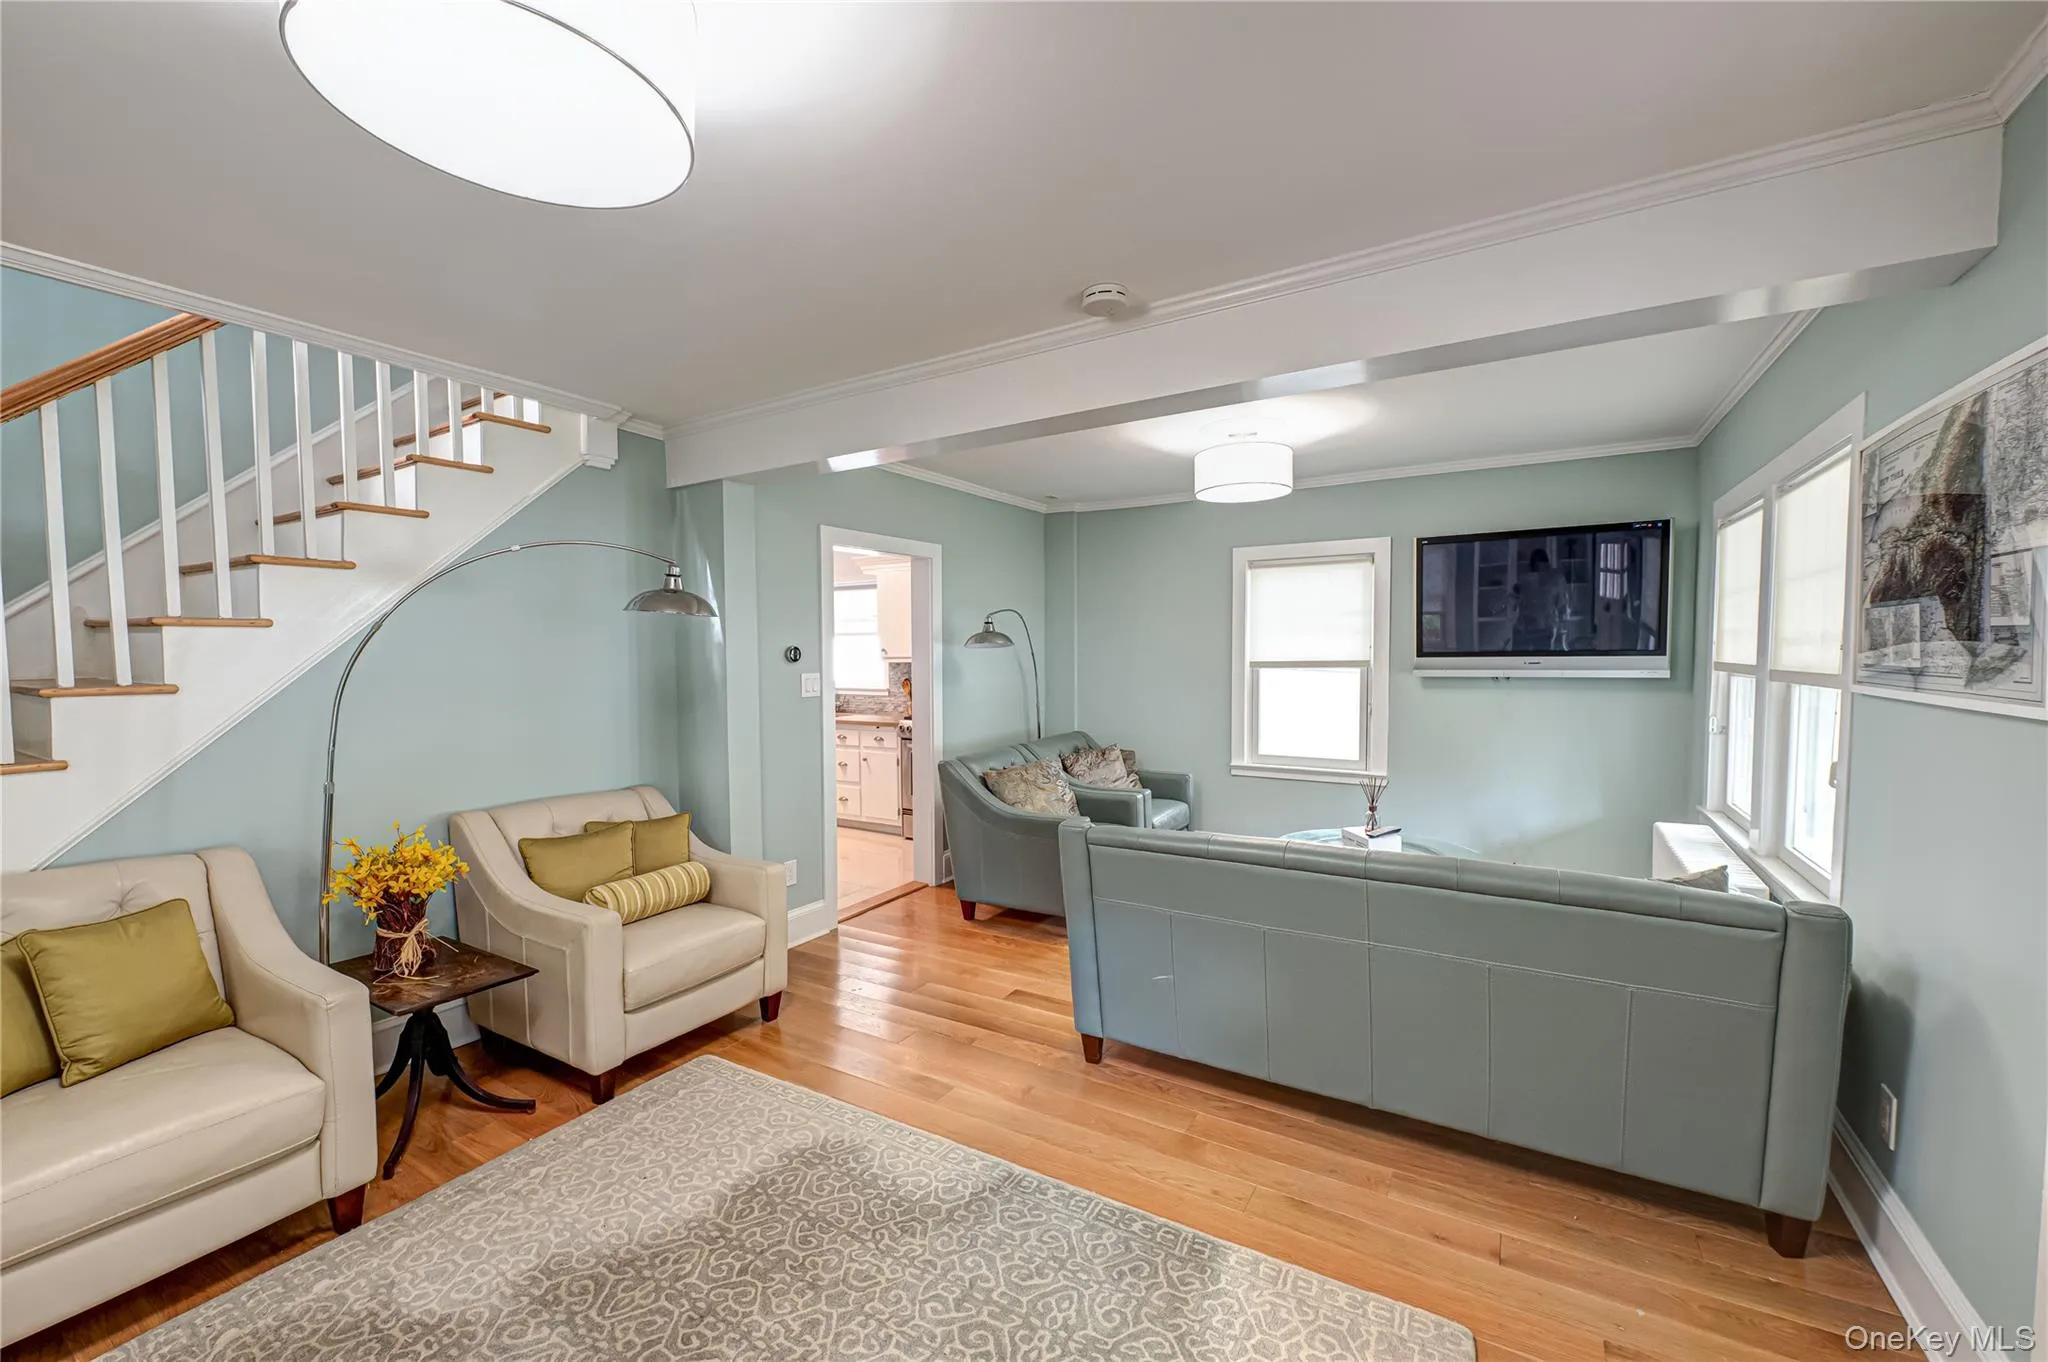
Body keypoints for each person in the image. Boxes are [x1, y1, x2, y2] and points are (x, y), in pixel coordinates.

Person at [1511, 547, 1571, 651]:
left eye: (1541, 563)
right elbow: (1514, 604)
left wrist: (1562, 631)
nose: (1539, 568)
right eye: (1536, 564)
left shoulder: (1556, 579)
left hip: (1544, 629)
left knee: (1541, 660)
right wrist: (1516, 592)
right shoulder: (1525, 579)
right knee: (1520, 662)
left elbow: (1563, 605)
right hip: (1523, 629)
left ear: (1546, 563)